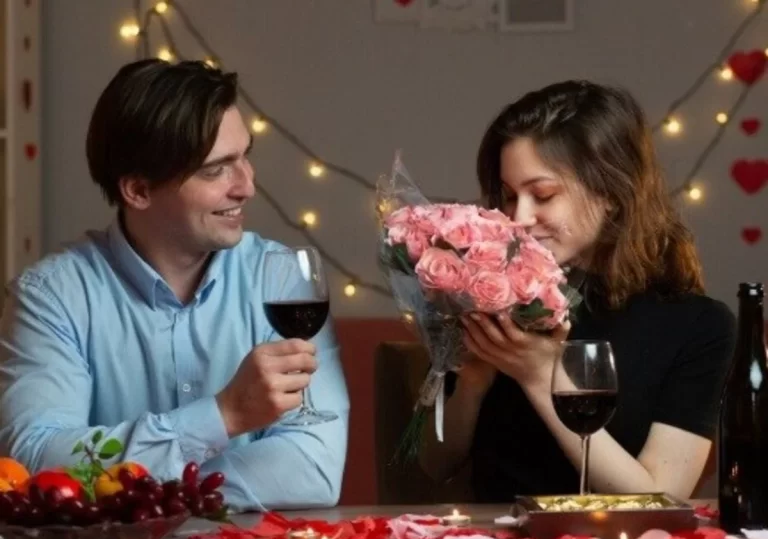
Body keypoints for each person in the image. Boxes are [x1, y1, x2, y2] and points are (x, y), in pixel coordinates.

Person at [0, 59, 349, 512]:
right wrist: (222, 416)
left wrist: (152, 491)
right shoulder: (50, 297)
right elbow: (35, 458)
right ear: (138, 191)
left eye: (245, 156)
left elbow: (314, 467)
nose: (247, 186)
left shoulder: (286, 280)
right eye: (216, 169)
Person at [418, 80, 736, 501]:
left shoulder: (700, 326)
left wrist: (539, 376)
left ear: (611, 193)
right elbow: (435, 465)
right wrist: (472, 385)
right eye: (510, 196)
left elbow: (659, 498)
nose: (519, 217)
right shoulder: (493, 295)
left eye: (543, 194)